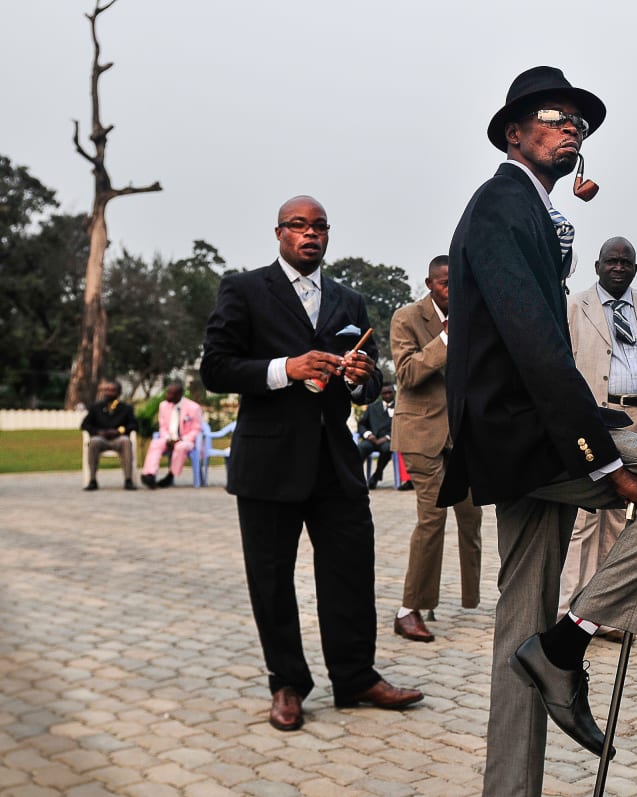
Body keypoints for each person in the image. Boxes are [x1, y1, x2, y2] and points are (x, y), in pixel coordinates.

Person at [436, 66, 637, 797]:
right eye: (555, 118)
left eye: (580, 126)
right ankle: (572, 639)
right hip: (521, 433)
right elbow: (537, 346)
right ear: (514, 133)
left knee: (517, 635)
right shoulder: (502, 205)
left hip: (526, 434)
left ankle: (513, 776)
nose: (571, 130)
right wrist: (599, 462)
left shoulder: (530, 211)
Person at [200, 195, 423, 734]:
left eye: (319, 226)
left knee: (350, 571)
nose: (310, 234)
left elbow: (369, 382)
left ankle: (355, 678)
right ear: (279, 233)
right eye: (298, 225)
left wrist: (359, 377)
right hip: (268, 462)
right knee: (272, 579)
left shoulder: (348, 299)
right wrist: (286, 368)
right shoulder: (245, 289)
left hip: (334, 461)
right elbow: (217, 367)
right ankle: (287, 684)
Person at [557, 236, 637, 634]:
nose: (619, 267)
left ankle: (602, 615)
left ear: (635, 269)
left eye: (626, 262)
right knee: (584, 519)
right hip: (596, 419)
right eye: (612, 261)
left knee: (624, 521)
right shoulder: (574, 307)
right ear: (598, 265)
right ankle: (565, 611)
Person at [389, 255, 483, 643]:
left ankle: (469, 597)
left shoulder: (475, 317)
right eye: (445, 283)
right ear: (430, 284)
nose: (453, 289)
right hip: (421, 434)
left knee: (471, 517)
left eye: (457, 282)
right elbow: (408, 373)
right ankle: (409, 608)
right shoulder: (406, 319)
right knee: (433, 519)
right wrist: (446, 337)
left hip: (462, 436)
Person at [140, 380, 205, 489]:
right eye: (167, 392)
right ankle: (149, 474)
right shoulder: (163, 406)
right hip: (168, 438)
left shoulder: (193, 407)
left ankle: (170, 476)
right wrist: (167, 438)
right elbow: (163, 427)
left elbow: (197, 429)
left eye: (170, 393)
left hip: (186, 440)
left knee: (181, 447)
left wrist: (181, 439)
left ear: (179, 395)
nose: (167, 395)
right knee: (156, 444)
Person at [81, 379, 138, 491]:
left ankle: (128, 480)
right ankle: (92, 480)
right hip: (101, 439)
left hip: (118, 439)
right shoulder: (95, 407)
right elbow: (85, 425)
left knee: (126, 441)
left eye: (112, 391)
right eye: (107, 390)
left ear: (119, 393)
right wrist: (98, 432)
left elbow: (134, 425)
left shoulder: (126, 409)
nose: (108, 393)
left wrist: (120, 431)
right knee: (93, 442)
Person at [356, 384, 397, 489]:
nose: (387, 395)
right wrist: (368, 435)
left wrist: (387, 437)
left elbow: (402, 426)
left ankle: (376, 476)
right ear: (380, 394)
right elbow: (361, 424)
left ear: (394, 393)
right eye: (384, 393)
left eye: (390, 392)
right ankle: (356, 477)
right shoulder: (372, 407)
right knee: (361, 448)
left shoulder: (399, 408)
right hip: (371, 439)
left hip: (387, 440)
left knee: (387, 449)